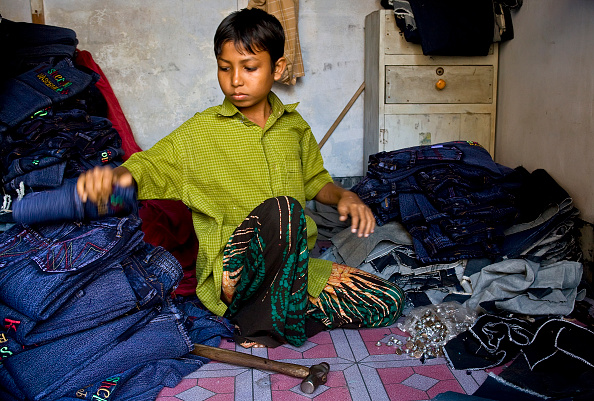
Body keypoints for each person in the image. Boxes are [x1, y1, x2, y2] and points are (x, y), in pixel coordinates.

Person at [77, 8, 404, 348]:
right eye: (224, 67)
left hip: (296, 271)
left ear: (277, 68)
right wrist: (114, 177)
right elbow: (148, 166)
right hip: (236, 275)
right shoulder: (200, 133)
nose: (235, 79)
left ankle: (279, 317)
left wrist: (343, 196)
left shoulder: (294, 128)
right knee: (284, 211)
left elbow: (315, 180)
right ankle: (261, 322)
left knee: (387, 300)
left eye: (249, 68)